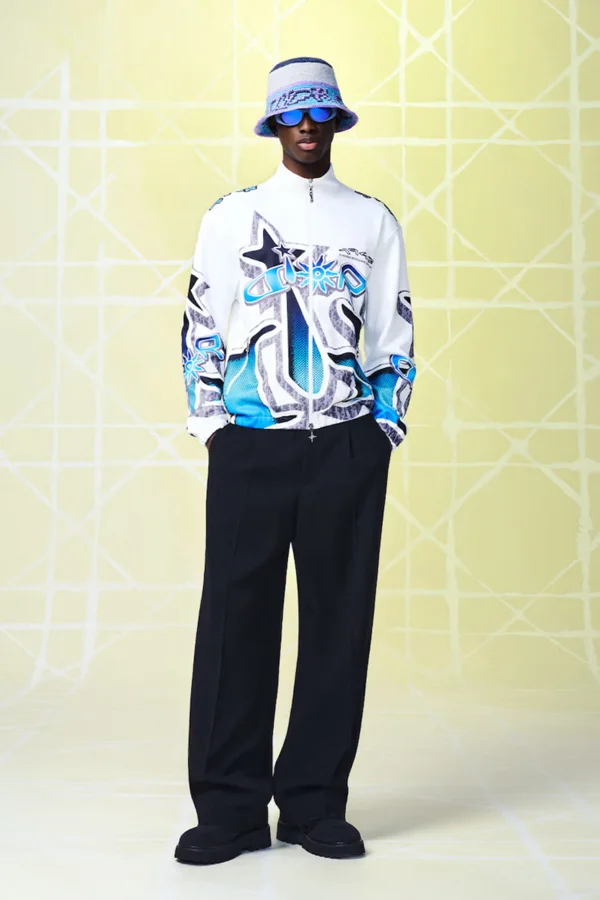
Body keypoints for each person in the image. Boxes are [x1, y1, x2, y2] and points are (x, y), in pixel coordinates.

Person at [174, 56, 416, 866]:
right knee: (235, 622)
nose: (307, 126)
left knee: (338, 626)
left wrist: (383, 428)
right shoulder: (230, 217)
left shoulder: (372, 221)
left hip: (345, 445)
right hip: (251, 445)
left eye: (320, 113)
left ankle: (315, 805)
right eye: (293, 113)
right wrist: (213, 423)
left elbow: (392, 330)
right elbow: (201, 322)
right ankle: (229, 810)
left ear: (337, 121)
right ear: (275, 123)